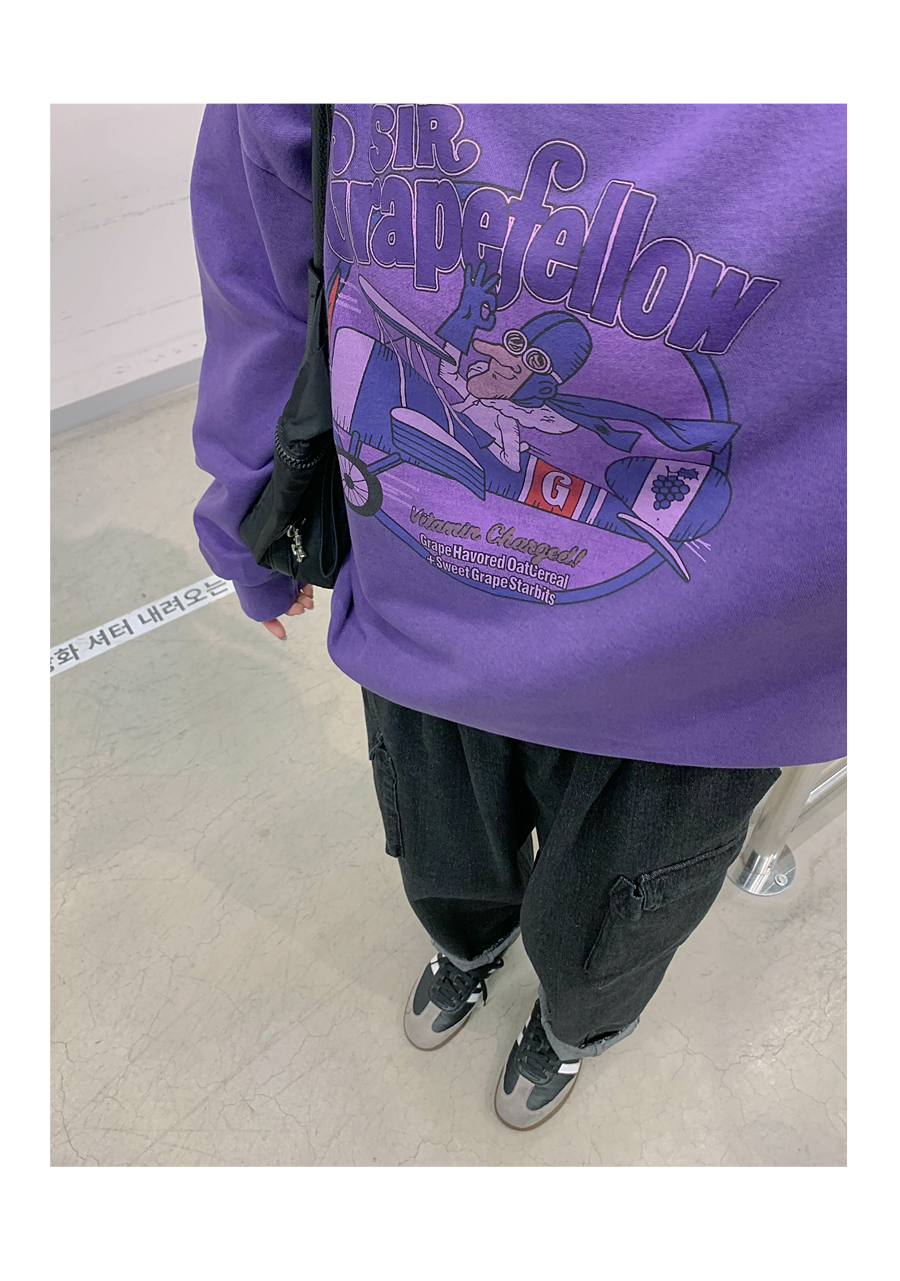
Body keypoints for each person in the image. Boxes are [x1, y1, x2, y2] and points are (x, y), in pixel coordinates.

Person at [190, 104, 845, 1130]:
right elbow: (261, 257)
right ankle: (468, 950)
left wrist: (532, 373)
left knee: (613, 923)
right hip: (431, 611)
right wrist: (252, 520)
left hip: (722, 665)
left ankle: (572, 1030)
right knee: (444, 852)